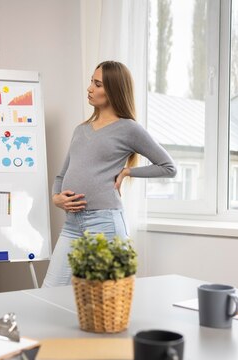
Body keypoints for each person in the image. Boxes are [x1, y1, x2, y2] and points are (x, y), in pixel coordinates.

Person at [42, 61, 177, 287]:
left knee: (107, 299)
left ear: (114, 89)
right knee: (50, 292)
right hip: (72, 224)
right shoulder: (81, 129)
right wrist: (56, 198)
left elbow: (168, 167)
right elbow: (61, 175)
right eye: (91, 82)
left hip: (104, 224)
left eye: (98, 84)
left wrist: (128, 171)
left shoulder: (128, 129)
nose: (90, 89)